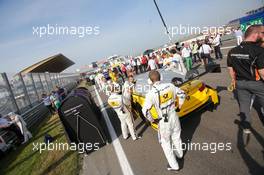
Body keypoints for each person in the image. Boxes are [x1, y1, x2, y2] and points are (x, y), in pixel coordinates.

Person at [142, 70, 186, 171]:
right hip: (173, 115)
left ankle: (174, 165)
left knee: (166, 143)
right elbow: (182, 94)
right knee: (176, 136)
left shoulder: (151, 93)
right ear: (161, 77)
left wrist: (152, 120)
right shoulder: (170, 86)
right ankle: (179, 154)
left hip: (163, 119)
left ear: (149, 81)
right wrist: (179, 106)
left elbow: (145, 111)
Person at [227, 24, 264, 134]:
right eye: (262, 33)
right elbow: (262, 72)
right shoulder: (258, 50)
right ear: (256, 34)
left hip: (239, 83)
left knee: (244, 105)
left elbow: (230, 69)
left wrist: (234, 81)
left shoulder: (232, 51)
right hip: (256, 83)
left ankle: (246, 127)